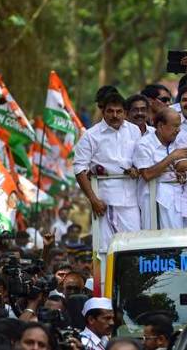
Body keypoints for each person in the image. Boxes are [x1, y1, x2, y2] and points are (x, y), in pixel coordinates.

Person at [73, 91, 141, 255]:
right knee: (106, 249)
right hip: (104, 202)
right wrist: (93, 200)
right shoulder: (91, 135)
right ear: (103, 112)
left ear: (125, 113)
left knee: (134, 246)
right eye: (110, 111)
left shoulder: (134, 131)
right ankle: (105, 281)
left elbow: (142, 158)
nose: (115, 115)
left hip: (132, 200)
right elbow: (79, 169)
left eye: (119, 111)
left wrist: (136, 169)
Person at [133, 108, 187, 230]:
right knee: (153, 239)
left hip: (176, 199)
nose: (178, 130)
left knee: (176, 239)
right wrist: (172, 157)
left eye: (179, 126)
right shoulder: (144, 144)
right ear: (160, 126)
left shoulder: (178, 142)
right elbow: (147, 174)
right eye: (175, 126)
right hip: (151, 199)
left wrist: (182, 174)